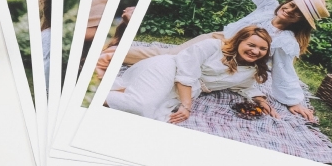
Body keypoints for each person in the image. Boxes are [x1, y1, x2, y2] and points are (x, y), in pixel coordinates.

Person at [106, 25, 275, 123]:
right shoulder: (212, 46)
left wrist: (261, 101)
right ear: (239, 41)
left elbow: (244, 87)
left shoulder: (251, 69)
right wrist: (186, 106)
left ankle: (122, 91)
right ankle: (93, 95)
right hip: (168, 69)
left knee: (154, 114)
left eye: (262, 48)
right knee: (139, 106)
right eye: (251, 45)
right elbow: (186, 72)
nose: (255, 51)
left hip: (186, 89)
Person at [223, 0, 329, 120]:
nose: (290, 10)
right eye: (292, 4)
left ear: (302, 21)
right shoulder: (268, 6)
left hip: (235, 63)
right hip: (219, 44)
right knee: (194, 51)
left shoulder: (285, 39)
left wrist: (293, 101)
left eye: (298, 12)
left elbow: (283, 69)